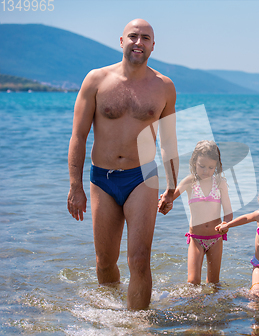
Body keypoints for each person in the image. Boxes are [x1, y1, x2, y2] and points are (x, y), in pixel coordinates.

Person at [67, 19, 178, 310]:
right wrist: (75, 187)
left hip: (143, 177)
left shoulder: (164, 87)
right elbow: (78, 135)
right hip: (102, 179)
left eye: (145, 38)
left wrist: (172, 187)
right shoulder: (96, 80)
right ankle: (111, 316)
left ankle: (138, 325)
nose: (138, 42)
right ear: (121, 41)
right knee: (105, 262)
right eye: (133, 36)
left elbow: (168, 142)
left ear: (153, 45)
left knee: (139, 258)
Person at [159, 140, 233, 285]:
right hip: (196, 239)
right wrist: (165, 203)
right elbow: (170, 197)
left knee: (213, 283)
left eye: (211, 167)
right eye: (202, 166)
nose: (206, 170)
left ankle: (214, 307)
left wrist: (226, 223)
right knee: (192, 281)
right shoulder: (189, 182)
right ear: (194, 163)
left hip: (216, 238)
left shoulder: (220, 183)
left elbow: (228, 210)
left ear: (216, 166)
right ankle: (193, 305)